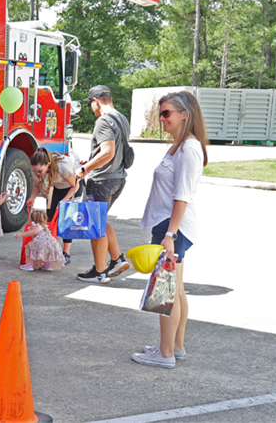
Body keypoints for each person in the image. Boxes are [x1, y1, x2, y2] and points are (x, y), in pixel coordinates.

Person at [132, 91, 208, 369]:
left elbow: (182, 196)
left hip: (172, 227)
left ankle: (165, 353)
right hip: (171, 226)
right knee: (177, 290)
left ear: (184, 115)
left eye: (166, 113)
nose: (162, 118)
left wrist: (170, 235)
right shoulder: (181, 146)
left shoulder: (189, 148)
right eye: (161, 113)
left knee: (165, 292)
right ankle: (176, 346)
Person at [74, 85, 132, 284]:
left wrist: (84, 170)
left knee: (95, 226)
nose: (92, 108)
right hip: (118, 178)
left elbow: (108, 152)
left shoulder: (103, 121)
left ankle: (99, 272)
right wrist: (91, 162)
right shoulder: (121, 118)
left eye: (91, 104)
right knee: (101, 220)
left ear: (96, 101)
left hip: (101, 180)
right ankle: (116, 260)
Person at [30, 148, 80, 265]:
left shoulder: (63, 166)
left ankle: (66, 253)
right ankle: (50, 249)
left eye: (40, 171)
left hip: (72, 188)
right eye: (35, 171)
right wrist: (32, 198)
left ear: (48, 164)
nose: (38, 174)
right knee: (50, 218)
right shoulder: (37, 170)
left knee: (65, 221)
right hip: (57, 188)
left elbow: (75, 185)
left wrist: (63, 201)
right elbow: (37, 187)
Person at [14, 197, 63, 271]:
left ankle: (29, 265)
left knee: (30, 248)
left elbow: (34, 232)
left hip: (40, 242)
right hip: (51, 243)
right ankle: (47, 265)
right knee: (46, 252)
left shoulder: (35, 225)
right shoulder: (45, 226)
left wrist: (22, 234)